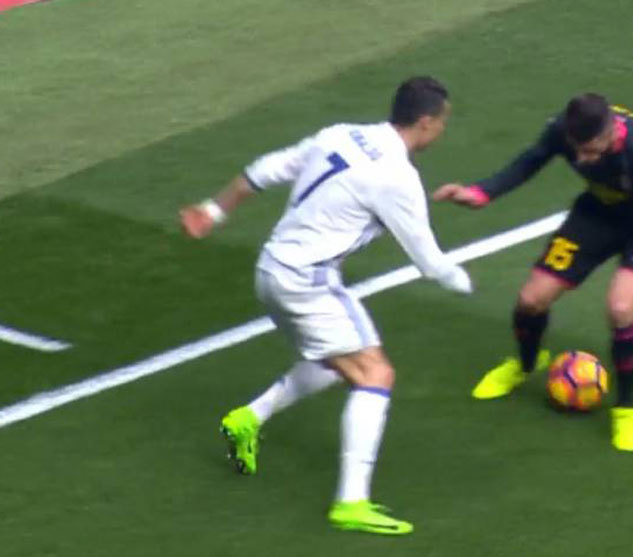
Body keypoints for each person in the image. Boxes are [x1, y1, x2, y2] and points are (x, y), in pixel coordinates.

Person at [179, 76, 471, 535]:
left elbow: (266, 169)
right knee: (376, 373)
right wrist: (463, 282)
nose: (443, 131)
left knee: (337, 360)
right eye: (443, 123)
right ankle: (351, 502)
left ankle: (248, 418)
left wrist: (214, 211)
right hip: (306, 282)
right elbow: (429, 261)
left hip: (271, 269)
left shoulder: (339, 134)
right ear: (425, 122)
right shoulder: (397, 177)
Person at [433, 93, 633, 452]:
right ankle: (526, 364)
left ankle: (626, 410)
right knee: (531, 299)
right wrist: (482, 193)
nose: (582, 159)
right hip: (598, 213)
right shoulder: (566, 129)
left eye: (591, 152)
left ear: (612, 133)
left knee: (621, 307)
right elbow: (533, 158)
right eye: (577, 150)